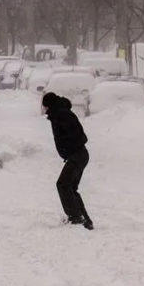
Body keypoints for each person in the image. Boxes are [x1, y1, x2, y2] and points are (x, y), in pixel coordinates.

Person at [42, 92, 93, 230]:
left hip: (77, 155)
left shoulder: (62, 115)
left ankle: (76, 218)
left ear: (50, 106)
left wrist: (69, 149)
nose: (44, 110)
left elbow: (76, 135)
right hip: (78, 155)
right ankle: (85, 220)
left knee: (63, 184)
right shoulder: (60, 114)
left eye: (45, 107)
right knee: (70, 187)